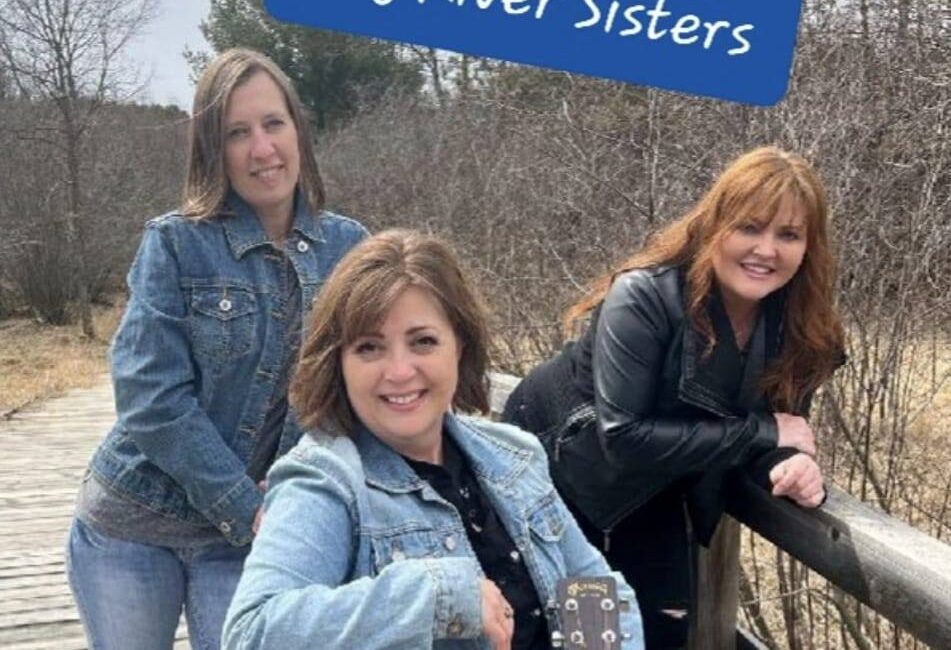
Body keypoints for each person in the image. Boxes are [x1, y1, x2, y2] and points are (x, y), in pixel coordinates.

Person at [65, 48, 368, 650]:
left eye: (273, 124)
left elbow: (357, 388)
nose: (262, 149)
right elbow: (149, 397)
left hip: (251, 540)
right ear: (213, 149)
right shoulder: (176, 243)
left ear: (298, 132)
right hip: (134, 521)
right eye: (237, 132)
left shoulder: (350, 248)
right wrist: (242, 502)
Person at [221, 230, 645, 650]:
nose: (400, 371)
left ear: (458, 346)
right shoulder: (326, 482)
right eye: (370, 348)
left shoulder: (514, 455)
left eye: (422, 341)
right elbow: (253, 633)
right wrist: (438, 598)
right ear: (338, 364)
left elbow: (593, 588)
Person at [502, 146, 846, 648]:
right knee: (591, 640)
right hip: (572, 488)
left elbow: (778, 430)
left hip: (659, 493)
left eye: (788, 234)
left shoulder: (802, 330)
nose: (766, 249)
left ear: (809, 247)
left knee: (663, 632)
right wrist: (765, 432)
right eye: (749, 227)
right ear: (715, 226)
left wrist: (791, 463)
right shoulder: (644, 297)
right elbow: (623, 436)